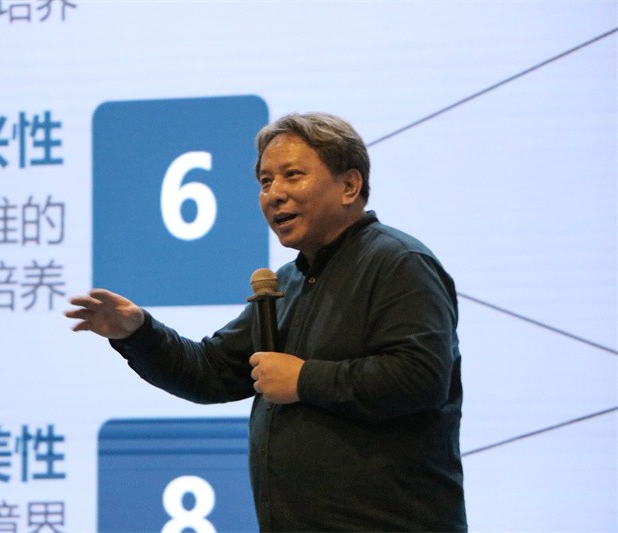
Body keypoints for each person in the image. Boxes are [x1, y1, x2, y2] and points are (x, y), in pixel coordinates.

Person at [66, 112, 467, 532]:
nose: (274, 194)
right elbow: (211, 372)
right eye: (265, 182)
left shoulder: (399, 263)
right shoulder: (287, 284)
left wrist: (304, 379)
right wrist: (138, 332)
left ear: (349, 186)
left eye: (292, 175)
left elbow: (420, 377)